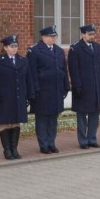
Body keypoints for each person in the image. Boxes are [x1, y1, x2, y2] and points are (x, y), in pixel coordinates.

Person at [0, 35, 35, 160]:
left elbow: (28, 79)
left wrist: (30, 95)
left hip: (19, 97)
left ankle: (14, 149)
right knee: (4, 123)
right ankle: (7, 150)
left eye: (16, 46)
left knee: (15, 123)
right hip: (4, 98)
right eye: (11, 47)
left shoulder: (23, 60)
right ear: (5, 47)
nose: (14, 49)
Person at [27, 25, 70, 154]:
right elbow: (31, 73)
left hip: (56, 90)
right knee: (42, 119)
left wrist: (66, 86)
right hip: (42, 91)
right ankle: (43, 144)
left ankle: (51, 143)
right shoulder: (34, 51)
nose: (53, 38)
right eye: (51, 36)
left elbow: (63, 70)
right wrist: (33, 91)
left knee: (53, 119)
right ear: (44, 37)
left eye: (54, 36)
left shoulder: (58, 50)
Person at [68, 24, 100, 149]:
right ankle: (83, 140)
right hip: (83, 87)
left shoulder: (98, 47)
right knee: (82, 116)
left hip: (96, 86)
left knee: (94, 114)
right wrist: (77, 85)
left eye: (93, 34)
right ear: (83, 34)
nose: (92, 36)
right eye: (89, 34)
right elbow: (74, 69)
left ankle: (92, 138)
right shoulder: (76, 49)